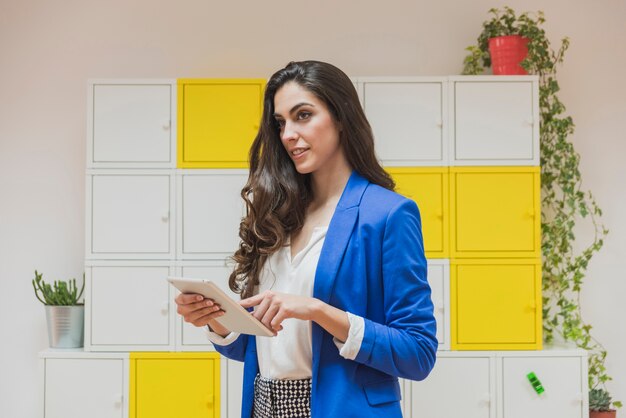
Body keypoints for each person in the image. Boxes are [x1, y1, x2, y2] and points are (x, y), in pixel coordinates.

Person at [175, 60, 437, 418]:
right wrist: (216, 318)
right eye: (280, 123)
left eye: (303, 115)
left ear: (341, 117)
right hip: (264, 406)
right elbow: (264, 349)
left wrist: (317, 310)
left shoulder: (388, 214)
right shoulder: (277, 215)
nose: (287, 134)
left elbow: (418, 353)